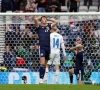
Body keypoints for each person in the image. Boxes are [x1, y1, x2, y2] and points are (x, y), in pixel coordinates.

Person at [34, 16, 58, 84]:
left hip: (48, 48)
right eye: (43, 19)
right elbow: (35, 19)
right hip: (42, 47)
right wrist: (41, 17)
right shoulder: (38, 27)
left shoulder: (49, 26)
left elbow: (56, 22)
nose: (45, 20)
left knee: (45, 65)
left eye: (45, 19)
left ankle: (43, 78)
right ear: (41, 20)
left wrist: (49, 19)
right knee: (42, 63)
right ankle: (40, 79)